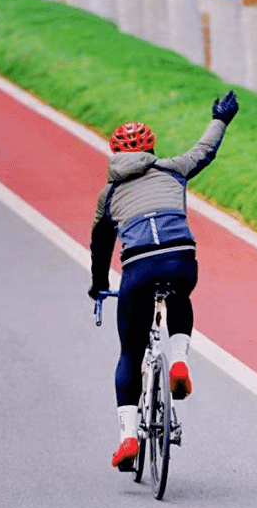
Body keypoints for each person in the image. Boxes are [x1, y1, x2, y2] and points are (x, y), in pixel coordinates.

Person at [90, 92, 240, 472]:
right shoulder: (172, 168)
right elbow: (204, 150)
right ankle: (178, 363)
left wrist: (97, 285)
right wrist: (220, 118)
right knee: (180, 299)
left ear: (115, 155)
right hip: (180, 260)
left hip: (137, 270)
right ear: (151, 148)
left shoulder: (108, 196)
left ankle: (127, 437)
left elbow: (99, 246)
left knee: (130, 353)